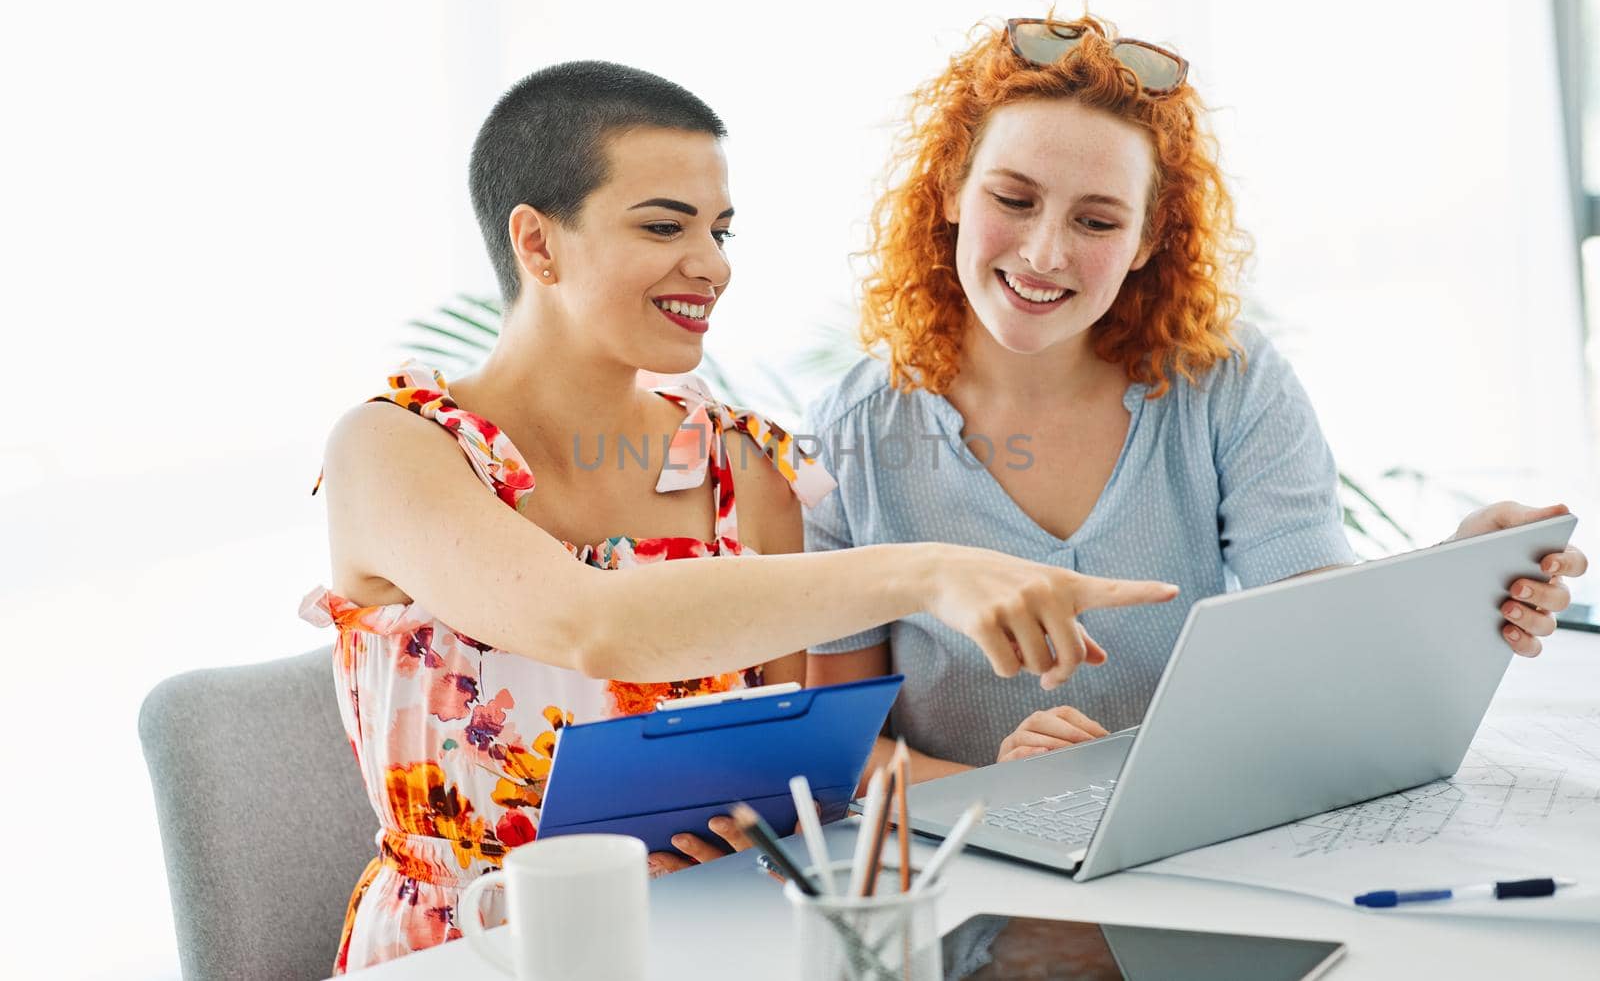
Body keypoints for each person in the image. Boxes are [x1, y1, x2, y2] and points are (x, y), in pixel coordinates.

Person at [299, 60, 1176, 972]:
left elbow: (807, 776)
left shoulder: (741, 464)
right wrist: (932, 570)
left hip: (717, 932)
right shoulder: (393, 448)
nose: (713, 264)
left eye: (719, 230)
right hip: (470, 944)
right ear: (539, 243)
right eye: (664, 225)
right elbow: (594, 625)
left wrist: (1016, 782)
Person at [798, 13, 1589, 784]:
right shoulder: (852, 434)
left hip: (1191, 838)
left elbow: (1319, 637)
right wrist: (1001, 788)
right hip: (970, 868)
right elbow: (842, 755)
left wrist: (1452, 581)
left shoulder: (1226, 384)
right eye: (1013, 199)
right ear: (949, 192)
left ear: (1146, 242)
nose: (1045, 252)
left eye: (1097, 219)